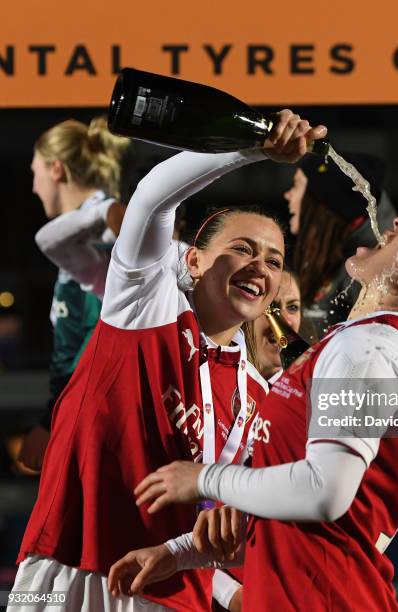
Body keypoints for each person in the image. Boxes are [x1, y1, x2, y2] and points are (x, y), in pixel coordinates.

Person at [108, 212, 398, 611]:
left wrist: (207, 478)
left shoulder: (370, 350)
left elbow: (325, 493)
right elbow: (309, 513)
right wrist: (178, 554)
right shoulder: (359, 342)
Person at [10, 110, 326, 611]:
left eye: (273, 260)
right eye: (242, 249)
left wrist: (231, 591)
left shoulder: (260, 398)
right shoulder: (145, 302)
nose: (258, 268)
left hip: (167, 594)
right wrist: (254, 146)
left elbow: (208, 523)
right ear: (193, 261)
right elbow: (155, 195)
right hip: (64, 566)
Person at [18, 117, 130, 472]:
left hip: (101, 414)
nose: (34, 188)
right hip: (84, 409)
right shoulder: (80, 232)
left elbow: (102, 333)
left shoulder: (107, 227)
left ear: (55, 170)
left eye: (34, 173)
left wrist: (54, 419)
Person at [211, 268, 302, 612]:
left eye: (292, 307)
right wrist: (229, 594)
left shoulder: (306, 399)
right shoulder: (207, 382)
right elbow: (170, 512)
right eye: (271, 307)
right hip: (205, 593)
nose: (283, 322)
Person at [285, 151, 397, 338]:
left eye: (297, 186)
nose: (288, 195)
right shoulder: (339, 255)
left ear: (325, 205)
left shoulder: (369, 270)